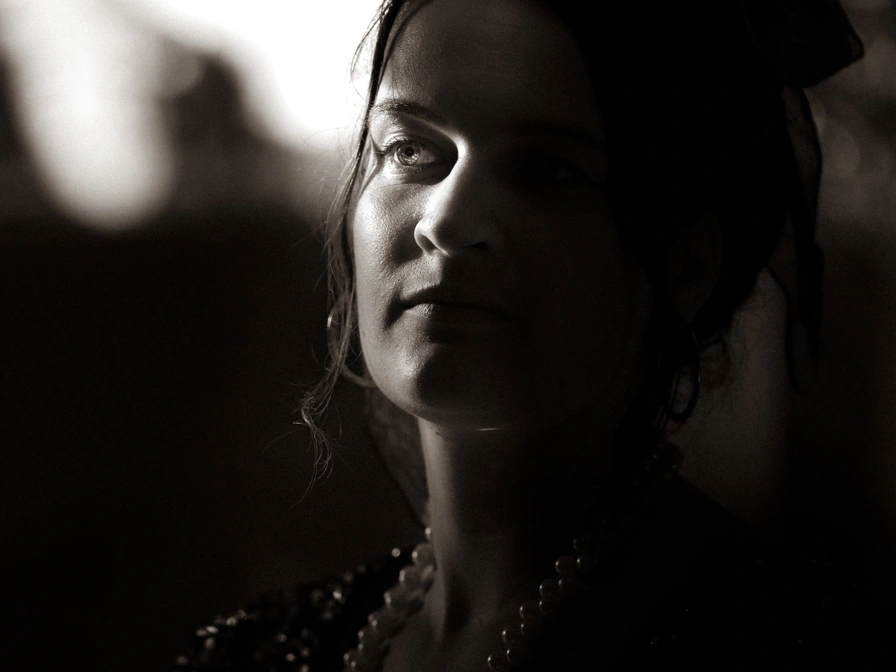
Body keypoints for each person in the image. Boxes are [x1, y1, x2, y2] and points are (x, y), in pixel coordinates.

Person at [176, 1, 876, 670]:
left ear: (684, 264)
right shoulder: (257, 651)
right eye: (410, 149)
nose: (446, 222)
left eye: (546, 168)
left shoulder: (787, 645)